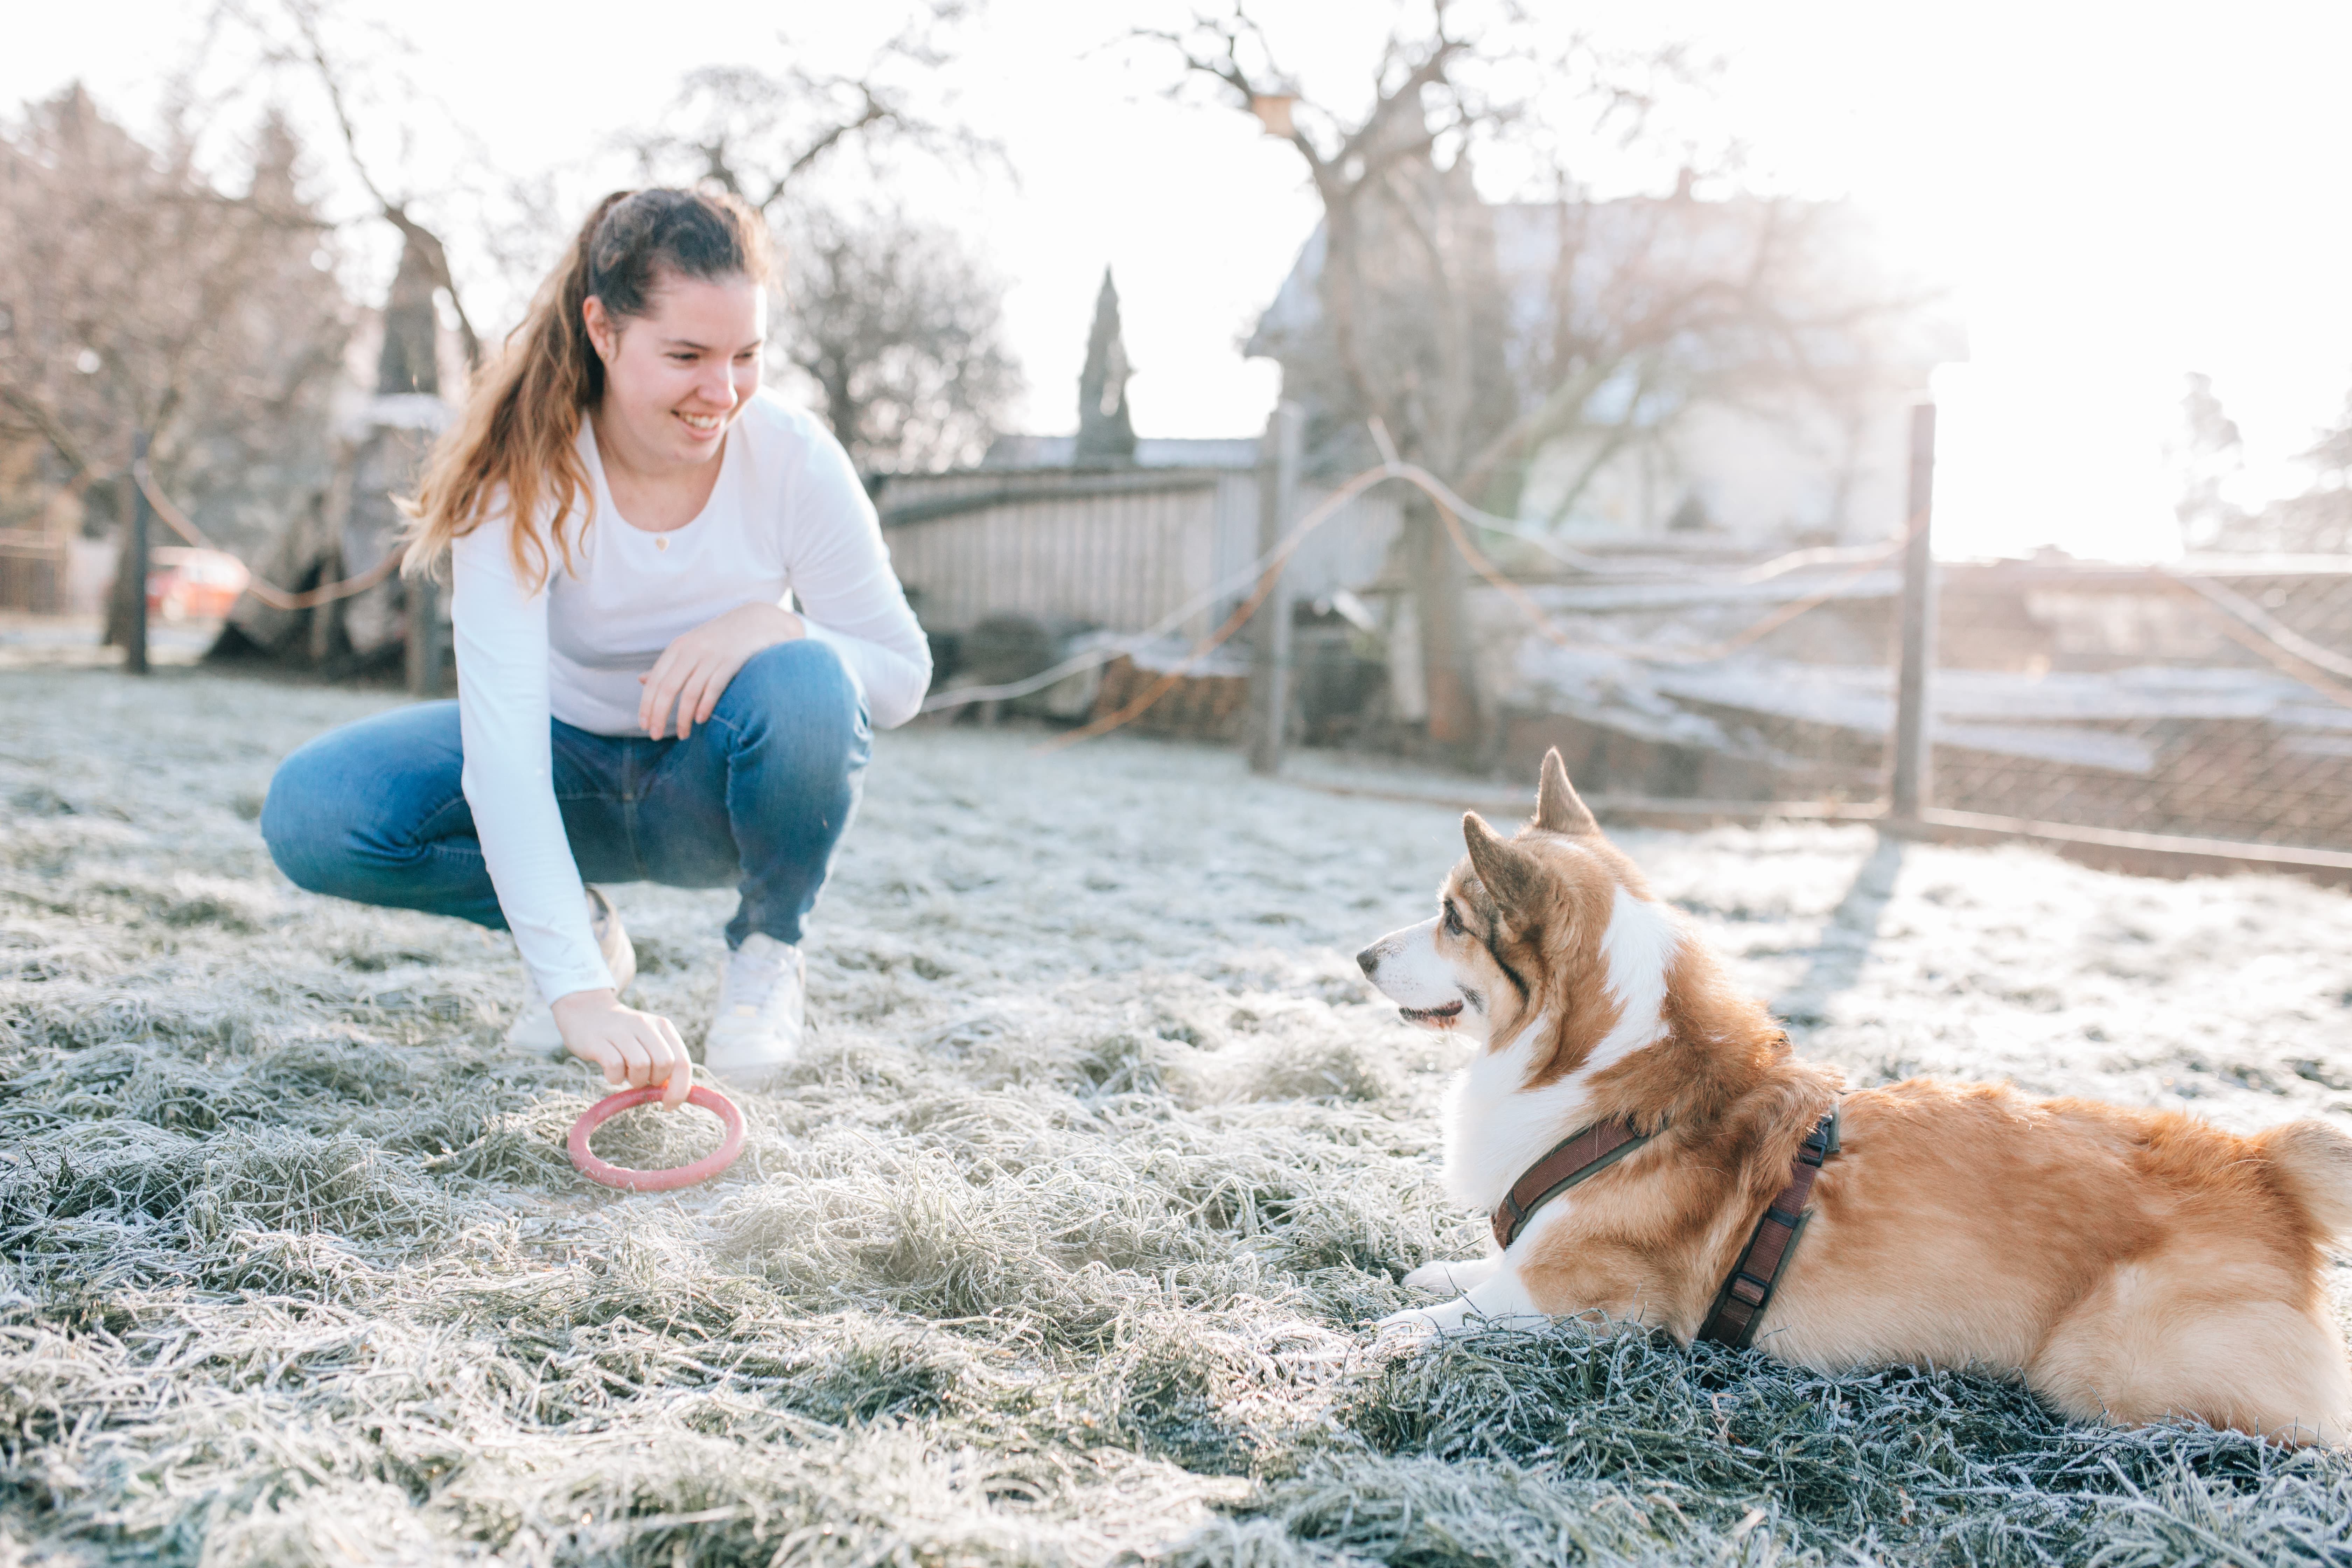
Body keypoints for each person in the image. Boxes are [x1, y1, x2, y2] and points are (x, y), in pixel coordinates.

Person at [261, 188, 930, 1107]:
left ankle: (768, 952)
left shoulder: (795, 460)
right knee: (314, 808)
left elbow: (900, 679)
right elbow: (500, 759)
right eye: (687, 356)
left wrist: (777, 624)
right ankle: (580, 928)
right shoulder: (522, 474)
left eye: (746, 357)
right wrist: (578, 991)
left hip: (707, 793)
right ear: (604, 332)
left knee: (813, 674)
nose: (722, 392)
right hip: (565, 768)